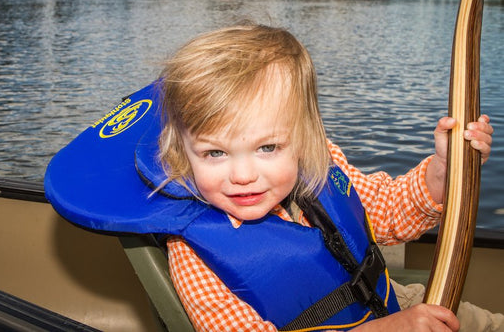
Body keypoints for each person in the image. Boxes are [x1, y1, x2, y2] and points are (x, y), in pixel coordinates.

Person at [155, 24, 499, 331]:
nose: (243, 176)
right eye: (215, 153)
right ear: (182, 152)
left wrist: (444, 169)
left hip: (394, 303)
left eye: (268, 147)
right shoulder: (192, 252)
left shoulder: (320, 165)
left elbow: (391, 212)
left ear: (303, 139)